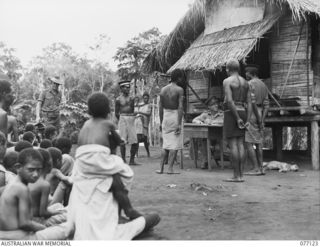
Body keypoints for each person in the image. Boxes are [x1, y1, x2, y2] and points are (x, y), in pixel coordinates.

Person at [68, 92, 160, 240]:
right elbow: (117, 139)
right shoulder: (107, 123)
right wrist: (120, 141)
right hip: (98, 156)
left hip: (81, 159)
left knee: (114, 176)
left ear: (89, 111)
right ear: (107, 111)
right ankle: (128, 209)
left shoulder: (85, 124)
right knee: (125, 172)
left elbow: (82, 143)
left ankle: (126, 209)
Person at [0, 148, 71, 240]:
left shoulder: (11, 184)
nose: (36, 174)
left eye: (39, 170)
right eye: (31, 170)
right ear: (18, 167)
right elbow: (25, 223)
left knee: (59, 208)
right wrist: (44, 229)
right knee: (67, 228)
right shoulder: (21, 188)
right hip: (21, 237)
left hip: (8, 234)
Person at [223, 59, 252, 182]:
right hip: (243, 111)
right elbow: (250, 102)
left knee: (233, 144)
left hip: (231, 113)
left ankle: (236, 175)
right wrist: (248, 119)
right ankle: (241, 175)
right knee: (241, 144)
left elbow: (229, 101)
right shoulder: (246, 82)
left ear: (228, 69)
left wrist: (237, 118)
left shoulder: (227, 81)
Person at [29, 148, 67, 227]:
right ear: (49, 163)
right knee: (69, 215)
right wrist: (58, 213)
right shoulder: (44, 184)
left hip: (29, 218)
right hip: (38, 222)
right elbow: (43, 213)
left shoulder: (30, 179)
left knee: (58, 206)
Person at [243, 65, 270, 176]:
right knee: (259, 142)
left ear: (251, 73)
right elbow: (267, 105)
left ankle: (256, 168)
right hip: (260, 111)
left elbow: (251, 102)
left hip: (252, 113)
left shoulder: (249, 84)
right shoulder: (264, 85)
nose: (245, 74)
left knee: (248, 142)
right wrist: (262, 119)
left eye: (246, 72)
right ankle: (261, 168)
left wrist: (254, 118)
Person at [157, 69, 184, 175]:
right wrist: (178, 123)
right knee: (174, 144)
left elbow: (160, 107)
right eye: (181, 77)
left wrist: (161, 121)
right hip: (175, 115)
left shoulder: (163, 90)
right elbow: (180, 107)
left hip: (165, 116)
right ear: (178, 78)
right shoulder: (179, 90)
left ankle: (161, 168)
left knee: (165, 144)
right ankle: (170, 169)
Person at [192, 96, 223, 169]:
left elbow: (224, 121)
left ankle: (206, 159)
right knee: (203, 139)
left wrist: (212, 122)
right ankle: (205, 160)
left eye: (216, 104)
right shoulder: (206, 114)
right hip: (210, 136)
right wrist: (200, 122)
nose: (216, 105)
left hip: (220, 136)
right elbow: (194, 120)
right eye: (213, 104)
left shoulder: (221, 113)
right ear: (209, 107)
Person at [115, 81, 140, 165]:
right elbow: (116, 113)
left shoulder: (132, 98)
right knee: (122, 141)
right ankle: (123, 160)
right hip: (122, 118)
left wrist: (131, 117)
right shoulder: (118, 99)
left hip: (131, 118)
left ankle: (132, 160)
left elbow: (134, 109)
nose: (127, 89)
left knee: (135, 141)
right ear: (121, 88)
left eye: (128, 87)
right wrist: (122, 119)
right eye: (125, 87)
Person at [135, 92, 152, 157]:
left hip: (145, 124)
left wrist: (140, 112)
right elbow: (136, 112)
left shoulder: (149, 105)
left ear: (148, 98)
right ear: (143, 98)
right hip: (138, 123)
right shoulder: (140, 105)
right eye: (144, 98)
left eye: (147, 98)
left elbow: (148, 114)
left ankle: (148, 153)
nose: (146, 99)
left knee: (145, 139)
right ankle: (136, 153)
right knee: (137, 138)